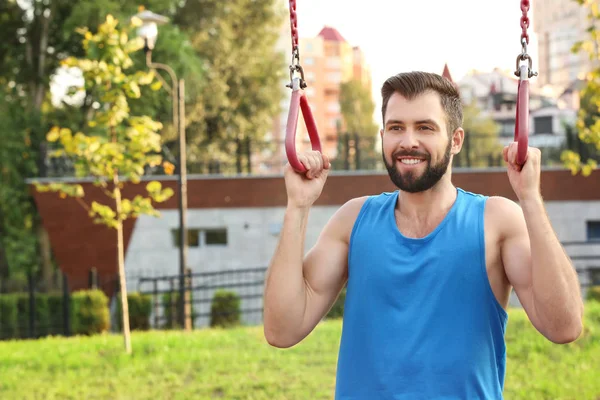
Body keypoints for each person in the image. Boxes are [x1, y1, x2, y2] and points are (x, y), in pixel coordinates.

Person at [262, 71, 584, 399]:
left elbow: (563, 326)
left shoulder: (496, 221)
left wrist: (530, 198)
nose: (408, 141)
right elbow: (282, 330)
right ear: (383, 135)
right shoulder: (353, 220)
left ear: (456, 140)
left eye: (425, 127)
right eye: (396, 127)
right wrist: (298, 207)